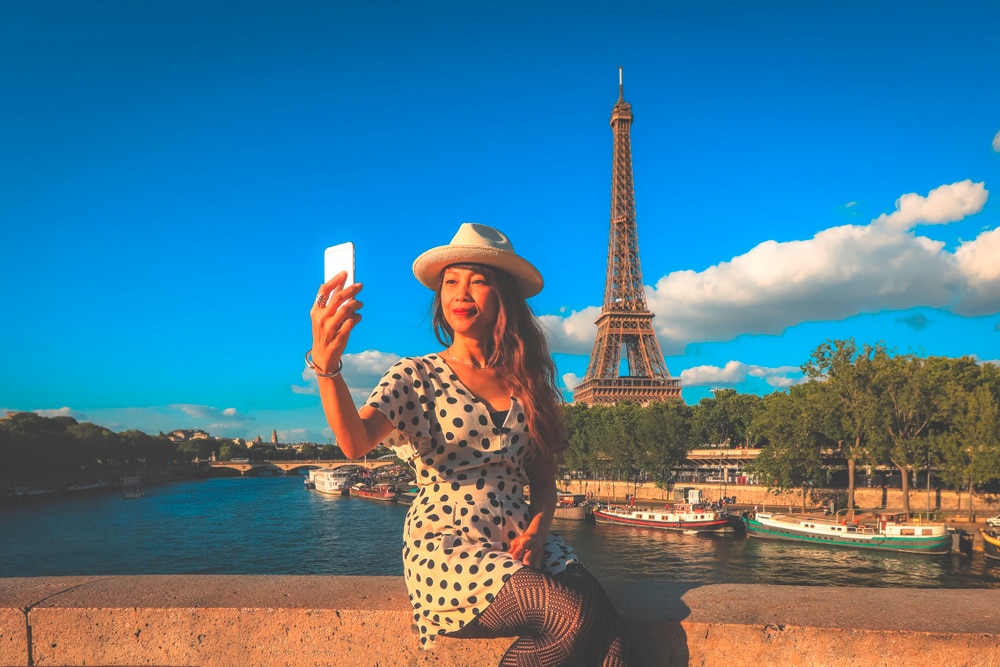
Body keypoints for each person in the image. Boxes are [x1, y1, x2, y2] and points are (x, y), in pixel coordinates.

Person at [309, 223, 628, 666]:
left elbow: (543, 480)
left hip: (523, 540)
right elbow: (353, 442)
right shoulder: (415, 376)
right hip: (450, 545)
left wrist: (537, 531)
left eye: (478, 281)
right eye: (451, 282)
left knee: (611, 632)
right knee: (567, 615)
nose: (462, 293)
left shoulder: (527, 381)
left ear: (503, 297)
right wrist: (327, 366)